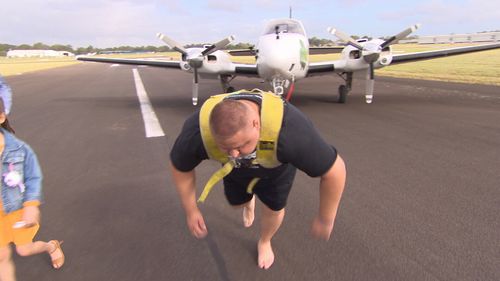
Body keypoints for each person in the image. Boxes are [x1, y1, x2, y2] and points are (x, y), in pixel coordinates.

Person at [170, 89, 346, 270]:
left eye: (241, 144)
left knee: (274, 209)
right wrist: (191, 210)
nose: (234, 153)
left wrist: (326, 218)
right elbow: (180, 168)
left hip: (276, 171)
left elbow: (335, 171)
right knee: (237, 203)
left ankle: (265, 241)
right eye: (225, 147)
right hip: (235, 171)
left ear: (256, 124)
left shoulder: (290, 131)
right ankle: (248, 200)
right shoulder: (197, 132)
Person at [0, 75, 64, 281]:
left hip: (17, 212)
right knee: (1, 257)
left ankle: (50, 246)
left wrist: (31, 205)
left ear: (2, 116)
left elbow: (34, 178)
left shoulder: (19, 150)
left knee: (24, 250)